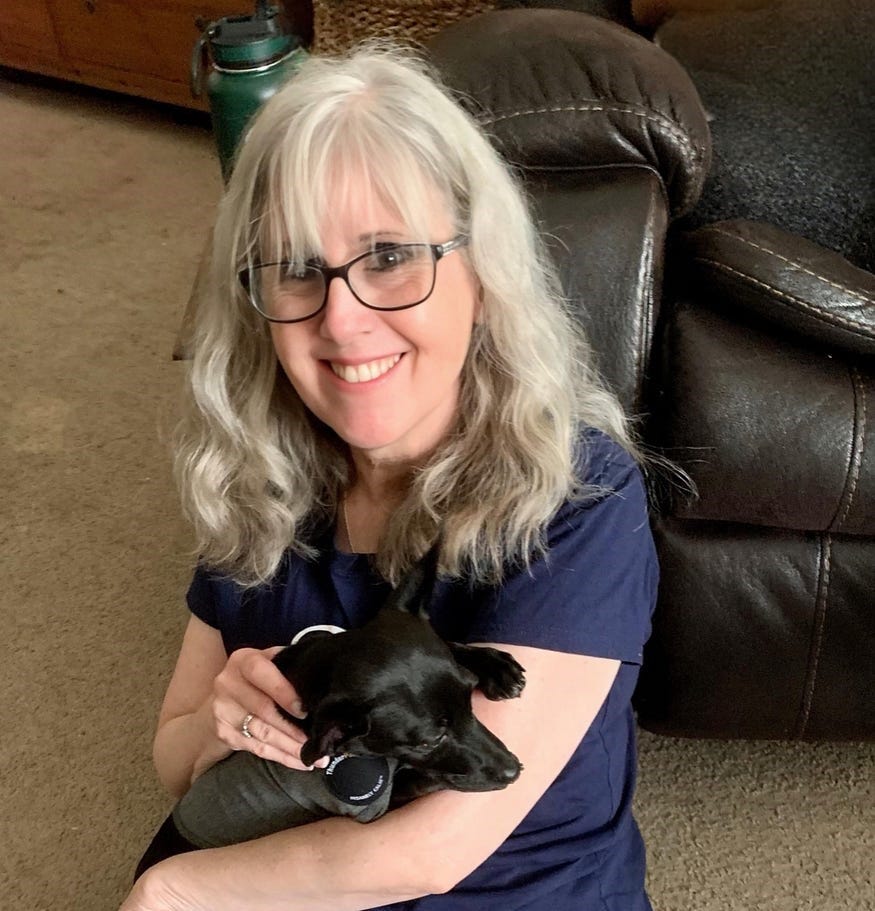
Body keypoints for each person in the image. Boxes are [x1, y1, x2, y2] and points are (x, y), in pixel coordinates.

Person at [120, 42, 658, 911]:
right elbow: (175, 763)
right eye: (297, 268)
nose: (343, 317)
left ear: (479, 273)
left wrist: (174, 891)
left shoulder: (576, 497)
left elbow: (431, 850)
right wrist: (225, 718)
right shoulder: (264, 485)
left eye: (389, 257)